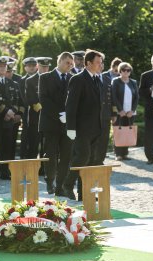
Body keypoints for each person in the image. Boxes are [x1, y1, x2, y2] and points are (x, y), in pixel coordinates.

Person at [63, 50, 104, 200]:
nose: (101, 65)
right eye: (98, 63)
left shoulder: (97, 79)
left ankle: (84, 192)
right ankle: (68, 184)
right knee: (82, 157)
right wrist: (71, 128)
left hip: (94, 128)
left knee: (90, 161)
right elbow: (71, 105)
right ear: (88, 63)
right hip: (81, 128)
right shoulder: (78, 79)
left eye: (101, 62)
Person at [39, 52, 74, 196]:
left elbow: (74, 99)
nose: (70, 66)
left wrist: (68, 115)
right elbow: (44, 98)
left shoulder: (72, 78)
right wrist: (59, 115)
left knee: (66, 155)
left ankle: (60, 186)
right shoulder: (45, 77)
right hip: (51, 122)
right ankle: (50, 182)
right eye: (67, 63)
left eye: (71, 64)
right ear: (59, 61)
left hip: (67, 123)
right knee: (51, 155)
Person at [0, 56, 22, 181]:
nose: (3, 68)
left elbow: (17, 99)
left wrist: (13, 112)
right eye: (0, 66)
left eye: (4, 66)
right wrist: (6, 111)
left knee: (7, 147)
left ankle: (5, 171)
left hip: (9, 121)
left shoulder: (12, 83)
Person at [25, 57, 52, 159]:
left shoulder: (51, 78)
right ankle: (32, 169)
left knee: (47, 145)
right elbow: (31, 99)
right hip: (36, 117)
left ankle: (44, 170)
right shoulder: (30, 80)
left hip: (49, 118)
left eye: (47, 67)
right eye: (42, 66)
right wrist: (46, 109)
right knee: (34, 144)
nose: (45, 69)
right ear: (38, 66)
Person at [112, 62, 139, 161]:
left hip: (130, 113)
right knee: (118, 132)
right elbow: (114, 97)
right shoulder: (115, 81)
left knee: (127, 131)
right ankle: (118, 154)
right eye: (124, 70)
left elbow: (136, 97)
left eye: (128, 70)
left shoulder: (133, 82)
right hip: (120, 112)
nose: (126, 72)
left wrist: (132, 110)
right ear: (120, 71)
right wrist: (120, 110)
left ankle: (125, 153)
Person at [18, 57, 38, 159]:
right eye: (29, 66)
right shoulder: (22, 80)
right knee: (26, 139)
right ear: (25, 67)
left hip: (39, 114)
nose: (31, 68)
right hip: (27, 113)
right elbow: (24, 98)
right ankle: (23, 162)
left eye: (33, 65)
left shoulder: (41, 78)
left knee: (36, 140)